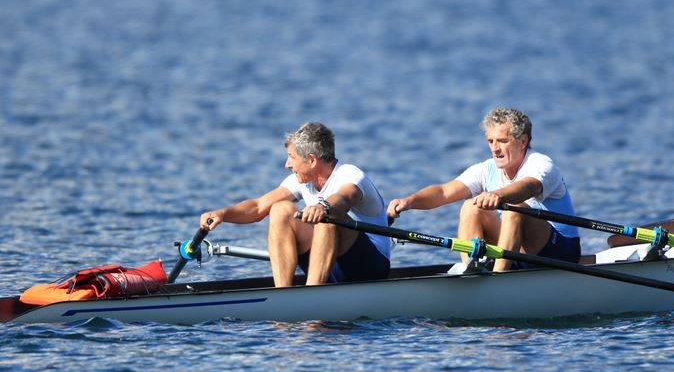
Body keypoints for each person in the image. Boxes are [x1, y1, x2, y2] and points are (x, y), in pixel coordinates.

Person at [386, 107, 580, 270]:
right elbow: (444, 192)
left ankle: (498, 279)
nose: (495, 148)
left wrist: (497, 195)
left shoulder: (541, 164)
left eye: (503, 141)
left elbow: (528, 187)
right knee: (471, 206)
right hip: (519, 248)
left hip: (560, 250)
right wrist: (409, 201)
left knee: (515, 208)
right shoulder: (486, 169)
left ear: (523, 142)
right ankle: (473, 268)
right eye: (491, 141)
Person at [200, 122, 391, 287]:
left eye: (292, 157)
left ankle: (311, 296)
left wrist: (322, 206)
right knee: (280, 209)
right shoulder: (301, 181)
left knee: (330, 215)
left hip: (369, 265)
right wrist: (222, 214)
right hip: (330, 260)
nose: (287, 164)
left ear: (312, 160)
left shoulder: (349, 174)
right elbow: (258, 207)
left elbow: (345, 197)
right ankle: (284, 295)